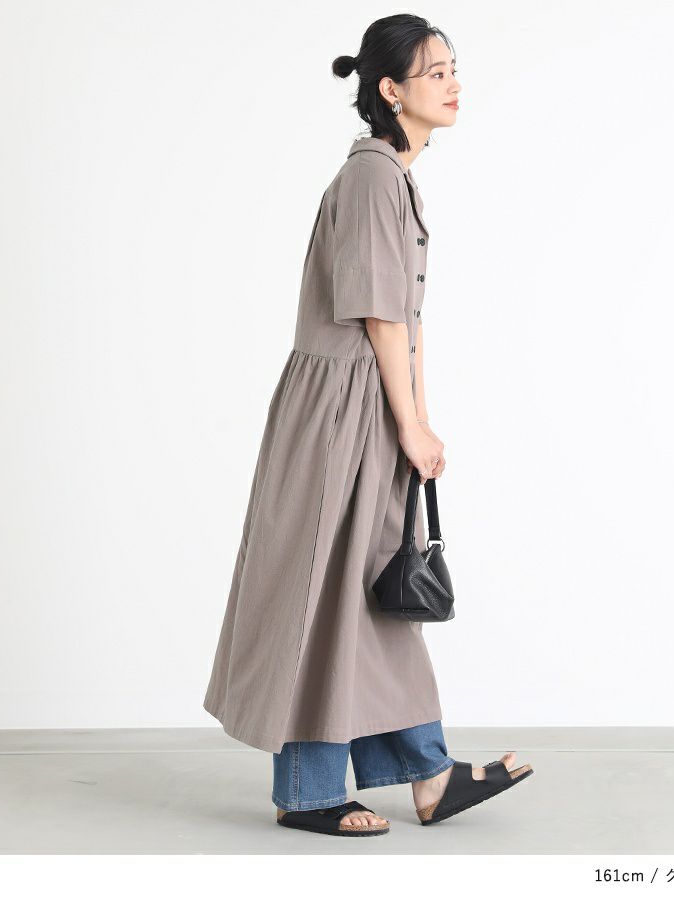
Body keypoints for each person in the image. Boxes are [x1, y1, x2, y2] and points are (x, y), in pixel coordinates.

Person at [203, 13, 533, 837]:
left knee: (366, 597)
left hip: (360, 406)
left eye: (454, 68)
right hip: (341, 413)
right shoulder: (374, 179)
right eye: (435, 72)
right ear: (391, 90)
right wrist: (412, 424)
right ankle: (322, 790)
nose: (454, 84)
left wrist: (413, 418)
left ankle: (425, 775)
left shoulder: (390, 176)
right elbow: (382, 316)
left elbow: (402, 322)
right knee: (328, 594)